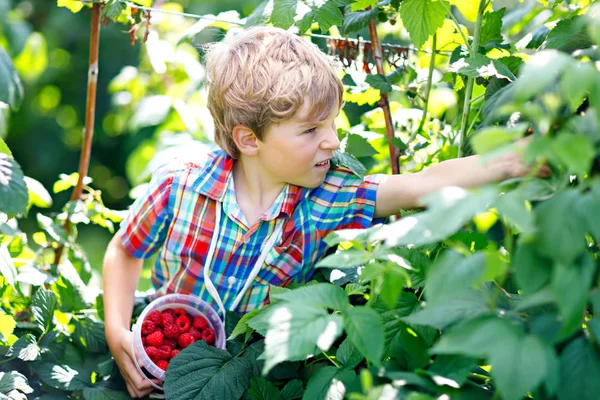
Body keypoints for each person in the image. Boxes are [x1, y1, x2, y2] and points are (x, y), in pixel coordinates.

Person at [102, 26, 550, 398]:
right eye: (312, 129)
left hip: (254, 380)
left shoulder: (326, 199)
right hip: (161, 360)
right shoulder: (180, 184)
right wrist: (117, 331)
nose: (333, 141)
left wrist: (511, 160)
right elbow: (124, 251)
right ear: (249, 139)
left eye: (332, 123)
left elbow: (420, 185)